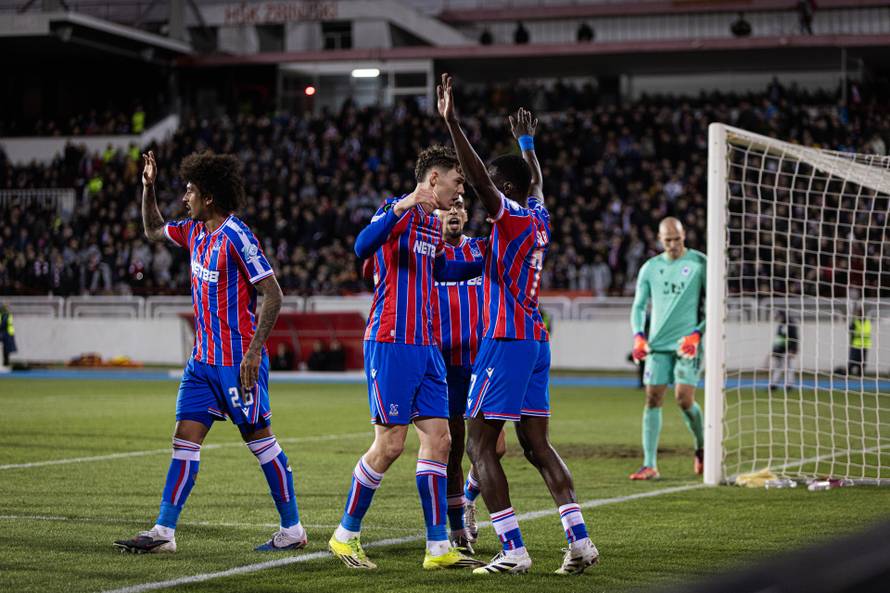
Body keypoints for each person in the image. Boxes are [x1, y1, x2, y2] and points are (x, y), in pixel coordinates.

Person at [439, 74, 599, 575]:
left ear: (504, 189)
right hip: (534, 341)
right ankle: (580, 543)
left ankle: (512, 549)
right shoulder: (538, 215)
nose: (481, 185)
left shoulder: (508, 214)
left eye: (490, 181)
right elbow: (537, 180)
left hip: (505, 339)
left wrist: (451, 122)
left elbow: (484, 180)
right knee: (536, 444)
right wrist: (527, 143)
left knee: (480, 444)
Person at [113, 151, 306, 554]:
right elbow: (152, 230)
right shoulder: (194, 232)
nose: (185, 197)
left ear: (210, 197)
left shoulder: (237, 236)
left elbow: (272, 293)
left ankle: (293, 530)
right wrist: (148, 186)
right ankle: (164, 532)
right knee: (184, 439)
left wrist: (254, 353)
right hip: (202, 364)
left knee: (261, 444)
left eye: (190, 191)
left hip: (237, 364)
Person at [328, 146, 484, 571]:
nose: (460, 190)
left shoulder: (434, 228)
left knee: (440, 440)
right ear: (434, 179)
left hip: (427, 347)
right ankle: (345, 535)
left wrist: (496, 256)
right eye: (457, 181)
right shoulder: (396, 212)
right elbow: (362, 245)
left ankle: (437, 547)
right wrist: (404, 202)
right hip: (392, 340)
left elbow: (444, 271)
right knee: (391, 444)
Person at [430, 194, 507, 552]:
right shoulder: (427, 254)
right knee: (455, 447)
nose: (455, 212)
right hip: (444, 366)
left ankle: (470, 499)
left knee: (497, 447)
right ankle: (458, 528)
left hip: (480, 362)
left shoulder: (480, 250)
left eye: (460, 206)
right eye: (449, 206)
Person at [630, 217, 707, 481]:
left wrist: (698, 333)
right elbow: (639, 306)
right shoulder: (650, 268)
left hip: (687, 344)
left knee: (684, 399)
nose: (673, 244)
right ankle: (649, 464)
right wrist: (639, 336)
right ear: (660, 239)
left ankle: (702, 448)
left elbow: (715, 304)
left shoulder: (699, 263)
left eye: (678, 238)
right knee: (652, 398)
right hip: (658, 345)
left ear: (684, 235)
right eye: (668, 240)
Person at [770, 310, 798, 391]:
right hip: (780, 349)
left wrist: (793, 350)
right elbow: (778, 338)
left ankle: (789, 384)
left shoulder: (790, 324)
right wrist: (774, 349)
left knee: (789, 367)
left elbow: (794, 337)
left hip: (788, 349)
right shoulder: (781, 325)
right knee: (778, 366)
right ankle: (774, 384)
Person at [848, 305, 871, 376]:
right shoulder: (855, 322)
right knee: (853, 361)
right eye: (859, 312)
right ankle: (849, 373)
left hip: (865, 345)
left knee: (862, 362)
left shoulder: (867, 322)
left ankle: (860, 375)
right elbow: (850, 330)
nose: (860, 313)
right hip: (856, 345)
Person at [0, 302, 16, 367]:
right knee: (5, 349)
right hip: (6, 333)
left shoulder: (6, 315)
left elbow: (3, 324)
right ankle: (5, 363)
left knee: (6, 350)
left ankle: (6, 363)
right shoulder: (4, 314)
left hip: (7, 333)